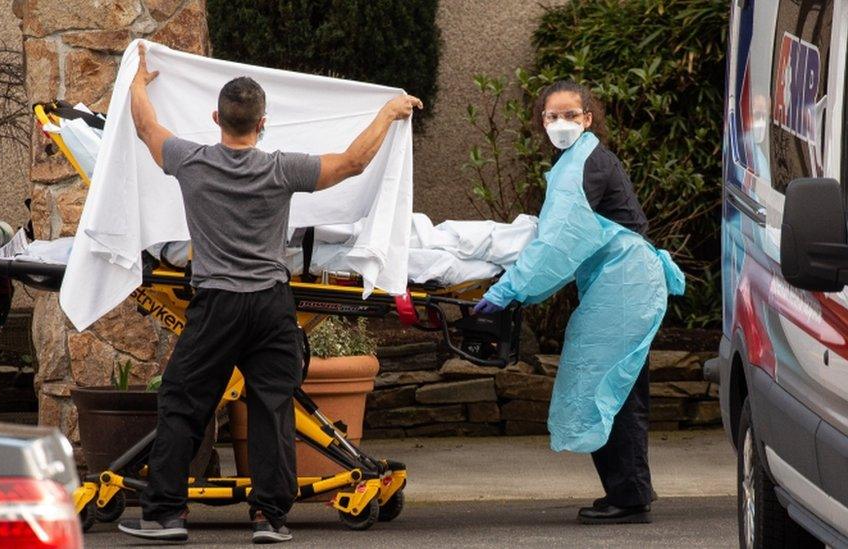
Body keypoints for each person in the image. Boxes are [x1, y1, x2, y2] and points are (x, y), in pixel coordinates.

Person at [117, 44, 421, 543]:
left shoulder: (189, 160)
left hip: (216, 304)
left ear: (216, 118)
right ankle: (269, 519)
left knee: (182, 402)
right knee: (273, 407)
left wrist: (137, 82)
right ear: (263, 123)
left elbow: (146, 128)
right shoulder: (282, 169)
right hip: (270, 305)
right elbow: (351, 163)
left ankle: (167, 516)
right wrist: (389, 111)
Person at [473, 80, 685, 524]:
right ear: (542, 122)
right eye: (552, 116)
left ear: (588, 119)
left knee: (610, 388)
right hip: (625, 282)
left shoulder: (584, 163)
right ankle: (630, 492)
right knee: (618, 387)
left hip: (624, 285)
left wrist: (508, 289)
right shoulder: (579, 160)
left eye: (570, 114)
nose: (561, 123)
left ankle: (627, 497)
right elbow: (565, 238)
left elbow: (559, 243)